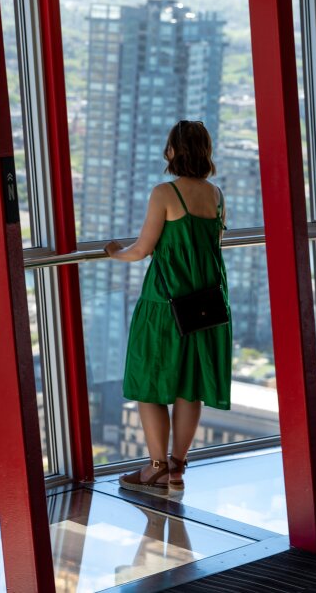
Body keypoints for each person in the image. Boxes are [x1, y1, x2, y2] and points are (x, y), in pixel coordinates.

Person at [104, 120, 231, 496]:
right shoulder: (217, 195)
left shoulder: (165, 193)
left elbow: (142, 250)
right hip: (206, 306)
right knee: (190, 388)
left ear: (172, 151)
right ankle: (177, 468)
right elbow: (212, 246)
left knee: (151, 385)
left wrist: (114, 253)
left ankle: (156, 468)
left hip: (164, 304)